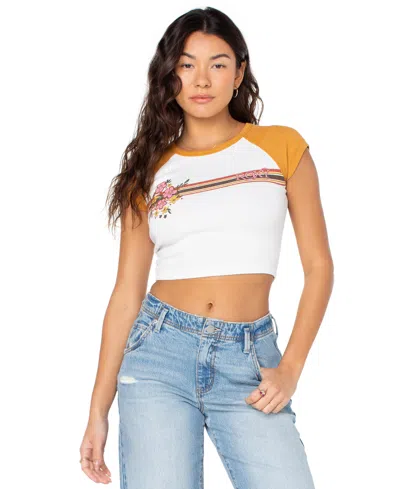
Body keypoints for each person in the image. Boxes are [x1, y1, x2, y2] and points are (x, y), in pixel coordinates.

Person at [79, 6, 334, 488]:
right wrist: (98, 409)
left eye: (218, 64)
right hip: (157, 355)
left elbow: (319, 267)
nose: (201, 79)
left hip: (250, 359)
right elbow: (127, 294)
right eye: (186, 64)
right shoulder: (149, 171)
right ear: (169, 75)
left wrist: (290, 368)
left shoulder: (282, 147)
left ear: (239, 73)